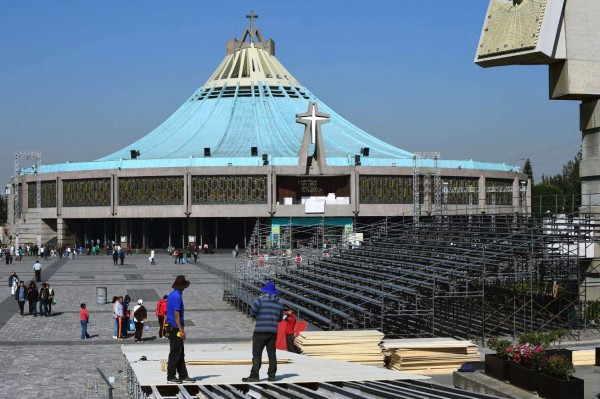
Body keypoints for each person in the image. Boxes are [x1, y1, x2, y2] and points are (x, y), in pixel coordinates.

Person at [242, 281, 284, 383]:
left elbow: (252, 312)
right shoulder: (280, 302)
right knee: (272, 354)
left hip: (260, 331)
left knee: (257, 355)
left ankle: (254, 375)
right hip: (273, 331)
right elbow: (280, 318)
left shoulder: (260, 300)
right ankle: (272, 376)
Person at [165, 275, 195, 384]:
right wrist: (181, 330)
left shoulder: (172, 294)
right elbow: (176, 314)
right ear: (182, 286)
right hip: (175, 328)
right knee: (175, 352)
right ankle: (171, 376)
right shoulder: (177, 296)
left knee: (180, 352)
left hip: (171, 326)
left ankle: (183, 375)